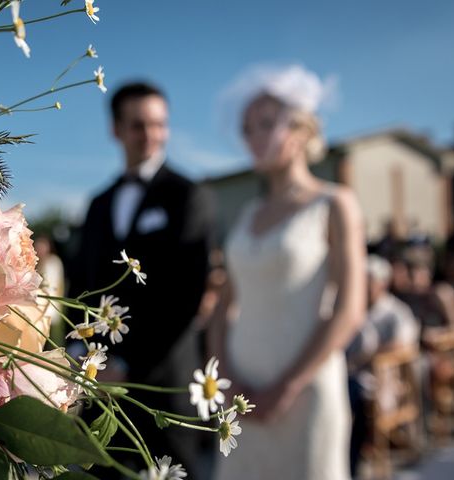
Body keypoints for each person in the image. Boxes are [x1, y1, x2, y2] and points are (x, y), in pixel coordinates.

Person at [210, 65, 366, 480]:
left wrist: (288, 387)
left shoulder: (335, 204)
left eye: (265, 124)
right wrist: (224, 377)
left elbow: (350, 310)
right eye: (247, 128)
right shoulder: (245, 215)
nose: (253, 137)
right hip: (239, 390)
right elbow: (223, 308)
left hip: (306, 388)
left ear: (301, 130)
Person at [70, 81, 213, 474]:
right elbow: (80, 283)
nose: (150, 134)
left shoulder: (189, 195)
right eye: (138, 125)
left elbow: (187, 294)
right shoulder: (98, 204)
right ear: (116, 130)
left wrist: (128, 363)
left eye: (159, 124)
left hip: (163, 387)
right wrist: (82, 356)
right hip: (100, 389)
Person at [346, 254, 419, 476]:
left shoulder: (396, 312)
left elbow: (403, 345)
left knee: (353, 395)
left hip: (383, 380)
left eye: (368, 282)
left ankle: (352, 465)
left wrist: (368, 356)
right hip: (353, 375)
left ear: (381, 283)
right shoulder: (354, 310)